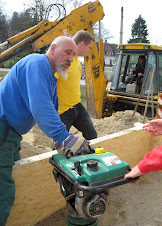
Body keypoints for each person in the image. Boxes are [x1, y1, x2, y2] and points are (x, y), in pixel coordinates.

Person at [0, 36, 90, 226]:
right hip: (2, 130)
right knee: (2, 192)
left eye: (73, 55)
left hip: (10, 135)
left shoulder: (50, 77)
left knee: (18, 175)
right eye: (67, 52)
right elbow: (41, 108)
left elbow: (53, 111)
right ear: (53, 48)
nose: (71, 59)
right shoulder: (37, 63)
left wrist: (61, 144)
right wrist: (65, 138)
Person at [56, 30, 97, 140]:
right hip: (63, 111)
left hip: (77, 107)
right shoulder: (64, 61)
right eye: (89, 47)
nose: (89, 51)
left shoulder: (77, 61)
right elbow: (50, 84)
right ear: (82, 44)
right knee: (61, 144)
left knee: (92, 135)